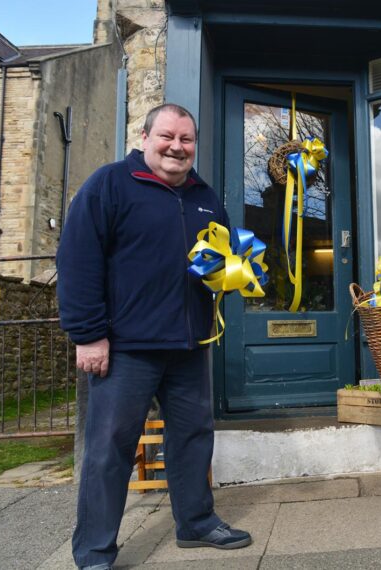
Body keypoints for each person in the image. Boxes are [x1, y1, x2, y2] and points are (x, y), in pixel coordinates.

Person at [57, 103, 252, 570]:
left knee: (192, 438)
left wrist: (234, 271)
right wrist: (88, 336)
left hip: (188, 346)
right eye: (167, 136)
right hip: (125, 348)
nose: (176, 147)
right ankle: (95, 552)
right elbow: (78, 261)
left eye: (186, 140)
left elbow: (221, 256)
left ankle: (197, 523)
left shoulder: (204, 195)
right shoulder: (108, 185)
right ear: (145, 137)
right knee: (110, 451)